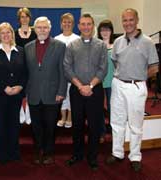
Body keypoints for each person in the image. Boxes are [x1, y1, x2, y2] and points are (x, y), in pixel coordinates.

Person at [105, 8, 159, 172]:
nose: (128, 23)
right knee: (116, 121)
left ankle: (135, 156)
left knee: (135, 125)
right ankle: (117, 152)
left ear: (137, 20)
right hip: (118, 84)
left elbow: (155, 67)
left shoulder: (148, 42)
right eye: (125, 20)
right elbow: (115, 62)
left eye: (131, 20)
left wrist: (140, 76)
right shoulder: (118, 41)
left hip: (137, 87)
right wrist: (124, 75)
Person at [64, 14, 107, 170]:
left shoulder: (101, 45)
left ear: (93, 25)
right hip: (77, 90)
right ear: (79, 26)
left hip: (95, 91)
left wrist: (90, 85)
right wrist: (80, 86)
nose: (86, 27)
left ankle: (92, 157)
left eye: (89, 24)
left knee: (94, 125)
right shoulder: (72, 45)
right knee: (77, 124)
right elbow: (67, 68)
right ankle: (77, 154)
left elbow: (103, 69)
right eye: (83, 24)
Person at [24, 16, 67, 165]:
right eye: (39, 28)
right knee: (36, 126)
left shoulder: (60, 46)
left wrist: (61, 91)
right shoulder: (28, 47)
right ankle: (38, 151)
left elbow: (63, 71)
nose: (42, 30)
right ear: (34, 29)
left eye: (45, 27)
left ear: (49, 29)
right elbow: (26, 72)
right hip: (34, 94)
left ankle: (49, 152)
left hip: (53, 94)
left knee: (50, 126)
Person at [0, 22, 27, 164]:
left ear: (12, 34)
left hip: (16, 95)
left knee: (14, 125)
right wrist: (4, 87)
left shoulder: (21, 50)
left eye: (8, 32)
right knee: (0, 126)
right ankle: (1, 155)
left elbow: (25, 72)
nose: (5, 35)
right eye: (2, 33)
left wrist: (20, 86)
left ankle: (14, 153)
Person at [55, 12, 80, 128]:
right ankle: (62, 117)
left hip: (73, 72)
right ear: (61, 24)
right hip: (60, 72)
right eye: (64, 22)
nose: (67, 24)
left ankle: (70, 117)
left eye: (69, 22)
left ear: (73, 24)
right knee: (62, 94)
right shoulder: (56, 39)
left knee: (71, 95)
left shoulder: (77, 38)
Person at [15, 7, 37, 125]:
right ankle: (20, 114)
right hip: (18, 66)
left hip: (32, 66)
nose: (24, 19)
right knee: (19, 90)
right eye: (22, 17)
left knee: (31, 91)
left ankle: (29, 114)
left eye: (26, 16)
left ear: (30, 18)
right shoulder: (13, 33)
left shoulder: (35, 33)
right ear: (19, 19)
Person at [97, 19, 115, 141]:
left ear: (111, 31)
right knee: (98, 108)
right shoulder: (96, 45)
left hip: (112, 82)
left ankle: (114, 131)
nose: (105, 32)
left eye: (107, 29)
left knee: (112, 107)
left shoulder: (116, 45)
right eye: (102, 30)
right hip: (98, 81)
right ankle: (101, 132)